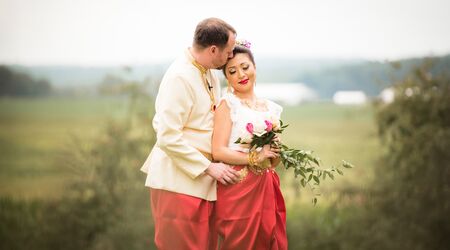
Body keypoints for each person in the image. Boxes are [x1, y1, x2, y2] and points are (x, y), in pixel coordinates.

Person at [140, 17, 241, 250]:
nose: (231, 55)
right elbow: (166, 136)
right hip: (178, 183)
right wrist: (208, 166)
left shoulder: (210, 72)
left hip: (203, 182)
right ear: (213, 49)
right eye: (228, 50)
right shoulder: (179, 77)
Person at [211, 42, 288, 249]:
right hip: (238, 185)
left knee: (268, 239)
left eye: (245, 67)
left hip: (266, 185)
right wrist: (254, 157)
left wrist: (275, 151)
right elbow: (217, 150)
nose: (240, 75)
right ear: (227, 77)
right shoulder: (228, 105)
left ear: (255, 67)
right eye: (232, 71)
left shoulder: (271, 109)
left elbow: (273, 162)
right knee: (239, 242)